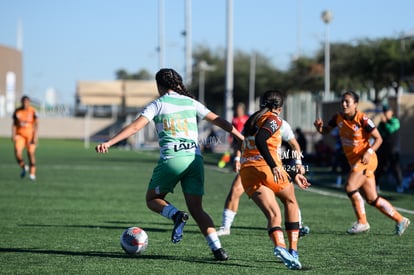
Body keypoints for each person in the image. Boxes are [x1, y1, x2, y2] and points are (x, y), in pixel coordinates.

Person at [95, 68, 244, 261]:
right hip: (195, 159)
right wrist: (240, 137)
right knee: (197, 209)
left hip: (173, 158)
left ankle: (175, 215)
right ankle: (218, 250)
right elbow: (219, 121)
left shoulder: (158, 104)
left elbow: (134, 127)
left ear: (159, 86)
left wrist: (109, 142)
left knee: (152, 199)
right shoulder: (191, 102)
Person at [313, 91, 410, 236]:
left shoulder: (363, 119)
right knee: (372, 199)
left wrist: (368, 152)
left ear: (355, 104)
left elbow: (378, 139)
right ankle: (400, 219)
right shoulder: (338, 118)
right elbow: (326, 131)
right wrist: (319, 128)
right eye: (342, 101)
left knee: (349, 187)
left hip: (366, 160)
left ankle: (362, 222)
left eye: (347, 102)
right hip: (355, 162)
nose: (344, 104)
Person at [239, 90, 310, 270]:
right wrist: (275, 166)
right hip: (267, 169)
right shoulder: (275, 119)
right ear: (280, 107)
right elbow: (262, 141)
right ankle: (293, 250)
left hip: (247, 172)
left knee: (274, 215)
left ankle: (280, 246)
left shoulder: (251, 120)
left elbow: (256, 146)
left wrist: (292, 172)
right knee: (291, 201)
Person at [217, 119, 310, 238]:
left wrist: (298, 162)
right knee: (235, 190)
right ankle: (225, 228)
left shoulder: (281, 124)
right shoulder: (253, 120)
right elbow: (243, 141)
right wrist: (237, 159)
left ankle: (298, 226)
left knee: (288, 197)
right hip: (251, 166)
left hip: (273, 167)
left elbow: (294, 144)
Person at [375, 105, 404, 193]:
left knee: (396, 167)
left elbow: (391, 130)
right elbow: (379, 133)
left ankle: (399, 185)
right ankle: (376, 185)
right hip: (383, 149)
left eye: (387, 112)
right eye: (384, 112)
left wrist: (385, 123)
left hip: (393, 149)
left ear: (391, 112)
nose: (385, 114)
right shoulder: (381, 123)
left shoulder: (395, 121)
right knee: (380, 168)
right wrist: (382, 124)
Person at [12, 95, 38, 181]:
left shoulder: (33, 111)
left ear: (29, 102)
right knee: (17, 153)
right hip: (20, 135)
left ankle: (32, 173)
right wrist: (13, 134)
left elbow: (36, 124)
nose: (25, 104)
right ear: (21, 102)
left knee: (30, 154)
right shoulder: (17, 111)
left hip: (30, 136)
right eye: (24, 102)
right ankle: (24, 166)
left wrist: (35, 136)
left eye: (27, 102)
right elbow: (14, 124)